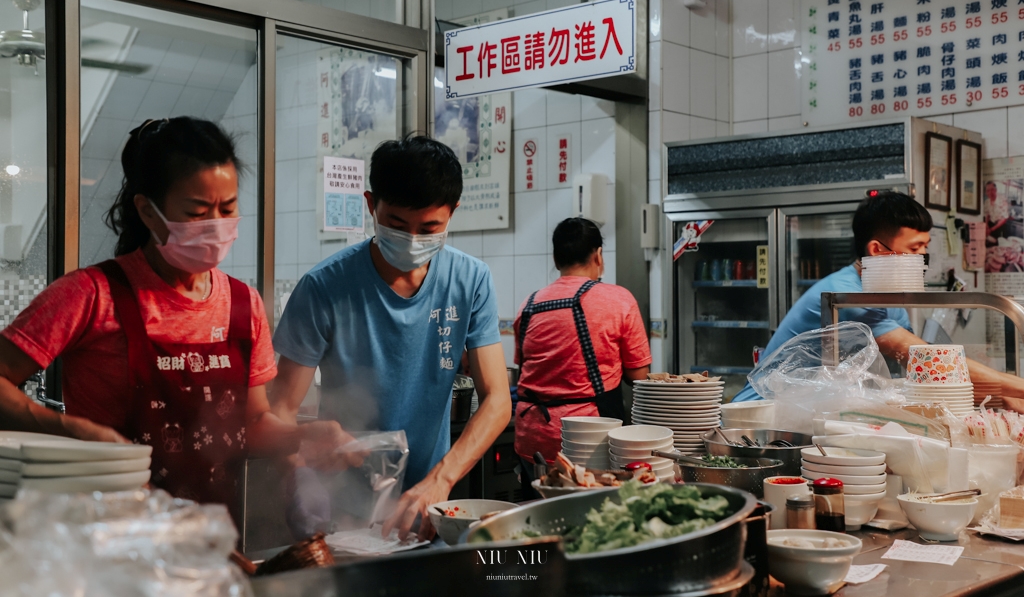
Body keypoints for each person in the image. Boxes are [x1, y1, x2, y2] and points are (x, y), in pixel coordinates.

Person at [0, 117, 344, 518]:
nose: (216, 224)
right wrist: (69, 430)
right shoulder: (92, 294)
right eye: (198, 211)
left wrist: (303, 437)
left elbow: (252, 422)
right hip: (109, 533)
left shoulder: (241, 303)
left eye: (227, 208)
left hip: (212, 537)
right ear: (148, 212)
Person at [271, 135, 511, 541]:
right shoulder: (325, 287)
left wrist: (440, 480)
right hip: (340, 507)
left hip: (428, 502)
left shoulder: (470, 280)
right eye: (397, 226)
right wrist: (297, 474)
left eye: (429, 228)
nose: (413, 240)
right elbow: (279, 410)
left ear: (453, 213)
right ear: (371, 205)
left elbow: (497, 399)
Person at [733, 191, 1024, 402]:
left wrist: (1004, 398)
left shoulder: (885, 294)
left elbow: (924, 377)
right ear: (877, 250)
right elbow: (929, 364)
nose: (923, 256)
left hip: (807, 410)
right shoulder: (852, 298)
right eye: (914, 249)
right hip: (765, 415)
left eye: (925, 246)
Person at [513, 218, 651, 492]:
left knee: (539, 517)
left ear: (555, 258)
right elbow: (639, 377)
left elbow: (525, 367)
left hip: (532, 438)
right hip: (588, 439)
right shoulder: (618, 299)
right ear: (598, 255)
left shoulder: (527, 305)